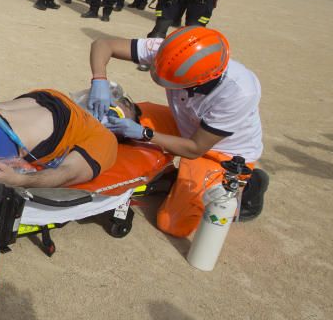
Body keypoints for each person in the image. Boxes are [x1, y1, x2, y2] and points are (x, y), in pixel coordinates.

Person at [86, 27, 269, 238]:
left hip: (219, 151)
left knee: (172, 224)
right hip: (183, 123)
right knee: (116, 116)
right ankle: (169, 175)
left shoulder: (238, 93)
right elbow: (102, 44)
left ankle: (251, 183)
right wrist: (99, 79)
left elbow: (195, 148)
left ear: (199, 81)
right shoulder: (173, 51)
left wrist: (144, 133)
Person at [0, 89, 118, 188]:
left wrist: (19, 181)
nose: (108, 104)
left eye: (117, 109)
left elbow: (68, 173)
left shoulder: (105, 137)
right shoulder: (59, 96)